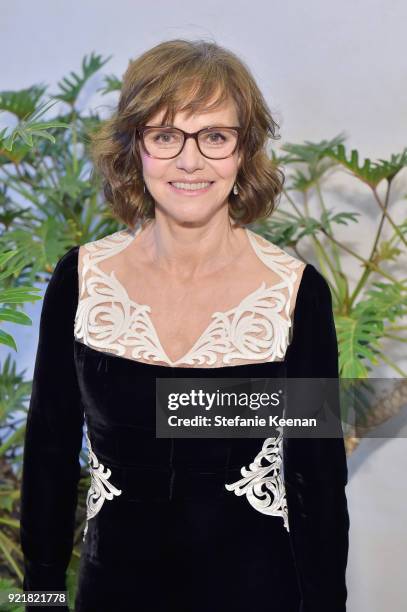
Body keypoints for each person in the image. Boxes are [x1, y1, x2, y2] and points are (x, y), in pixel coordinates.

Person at [20, 39, 350, 612]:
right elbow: (49, 454)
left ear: (244, 152)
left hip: (261, 595)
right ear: (135, 149)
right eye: (166, 135)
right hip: (111, 596)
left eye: (214, 137)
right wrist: (44, 600)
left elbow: (316, 484)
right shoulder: (81, 278)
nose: (190, 161)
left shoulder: (297, 294)